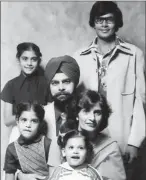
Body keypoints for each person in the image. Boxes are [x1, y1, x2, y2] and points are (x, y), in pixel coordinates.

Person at [74, 1, 145, 167]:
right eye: (99, 20)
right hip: (87, 137)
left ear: (117, 22)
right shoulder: (79, 57)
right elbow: (74, 103)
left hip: (120, 136)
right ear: (93, 22)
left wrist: (134, 142)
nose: (104, 24)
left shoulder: (134, 55)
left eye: (109, 19)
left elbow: (140, 102)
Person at [1, 42, 49, 143]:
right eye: (25, 59)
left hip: (41, 133)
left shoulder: (46, 84)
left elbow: (51, 116)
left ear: (39, 61)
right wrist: (29, 116)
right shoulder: (11, 85)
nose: (29, 63)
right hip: (18, 134)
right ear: (18, 59)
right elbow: (7, 120)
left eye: (34, 59)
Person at [76, 90, 126, 180]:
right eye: (86, 111)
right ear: (77, 114)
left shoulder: (110, 147)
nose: (92, 118)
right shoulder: (64, 140)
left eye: (97, 113)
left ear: (103, 116)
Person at [44, 55, 80, 167]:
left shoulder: (88, 115)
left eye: (66, 81)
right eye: (55, 83)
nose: (61, 88)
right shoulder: (39, 115)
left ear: (75, 82)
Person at [4, 102, 51, 180]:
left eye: (34, 121)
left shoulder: (48, 144)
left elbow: (59, 171)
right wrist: (20, 176)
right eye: (24, 120)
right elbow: (9, 176)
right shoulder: (12, 148)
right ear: (17, 121)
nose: (28, 125)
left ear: (40, 124)